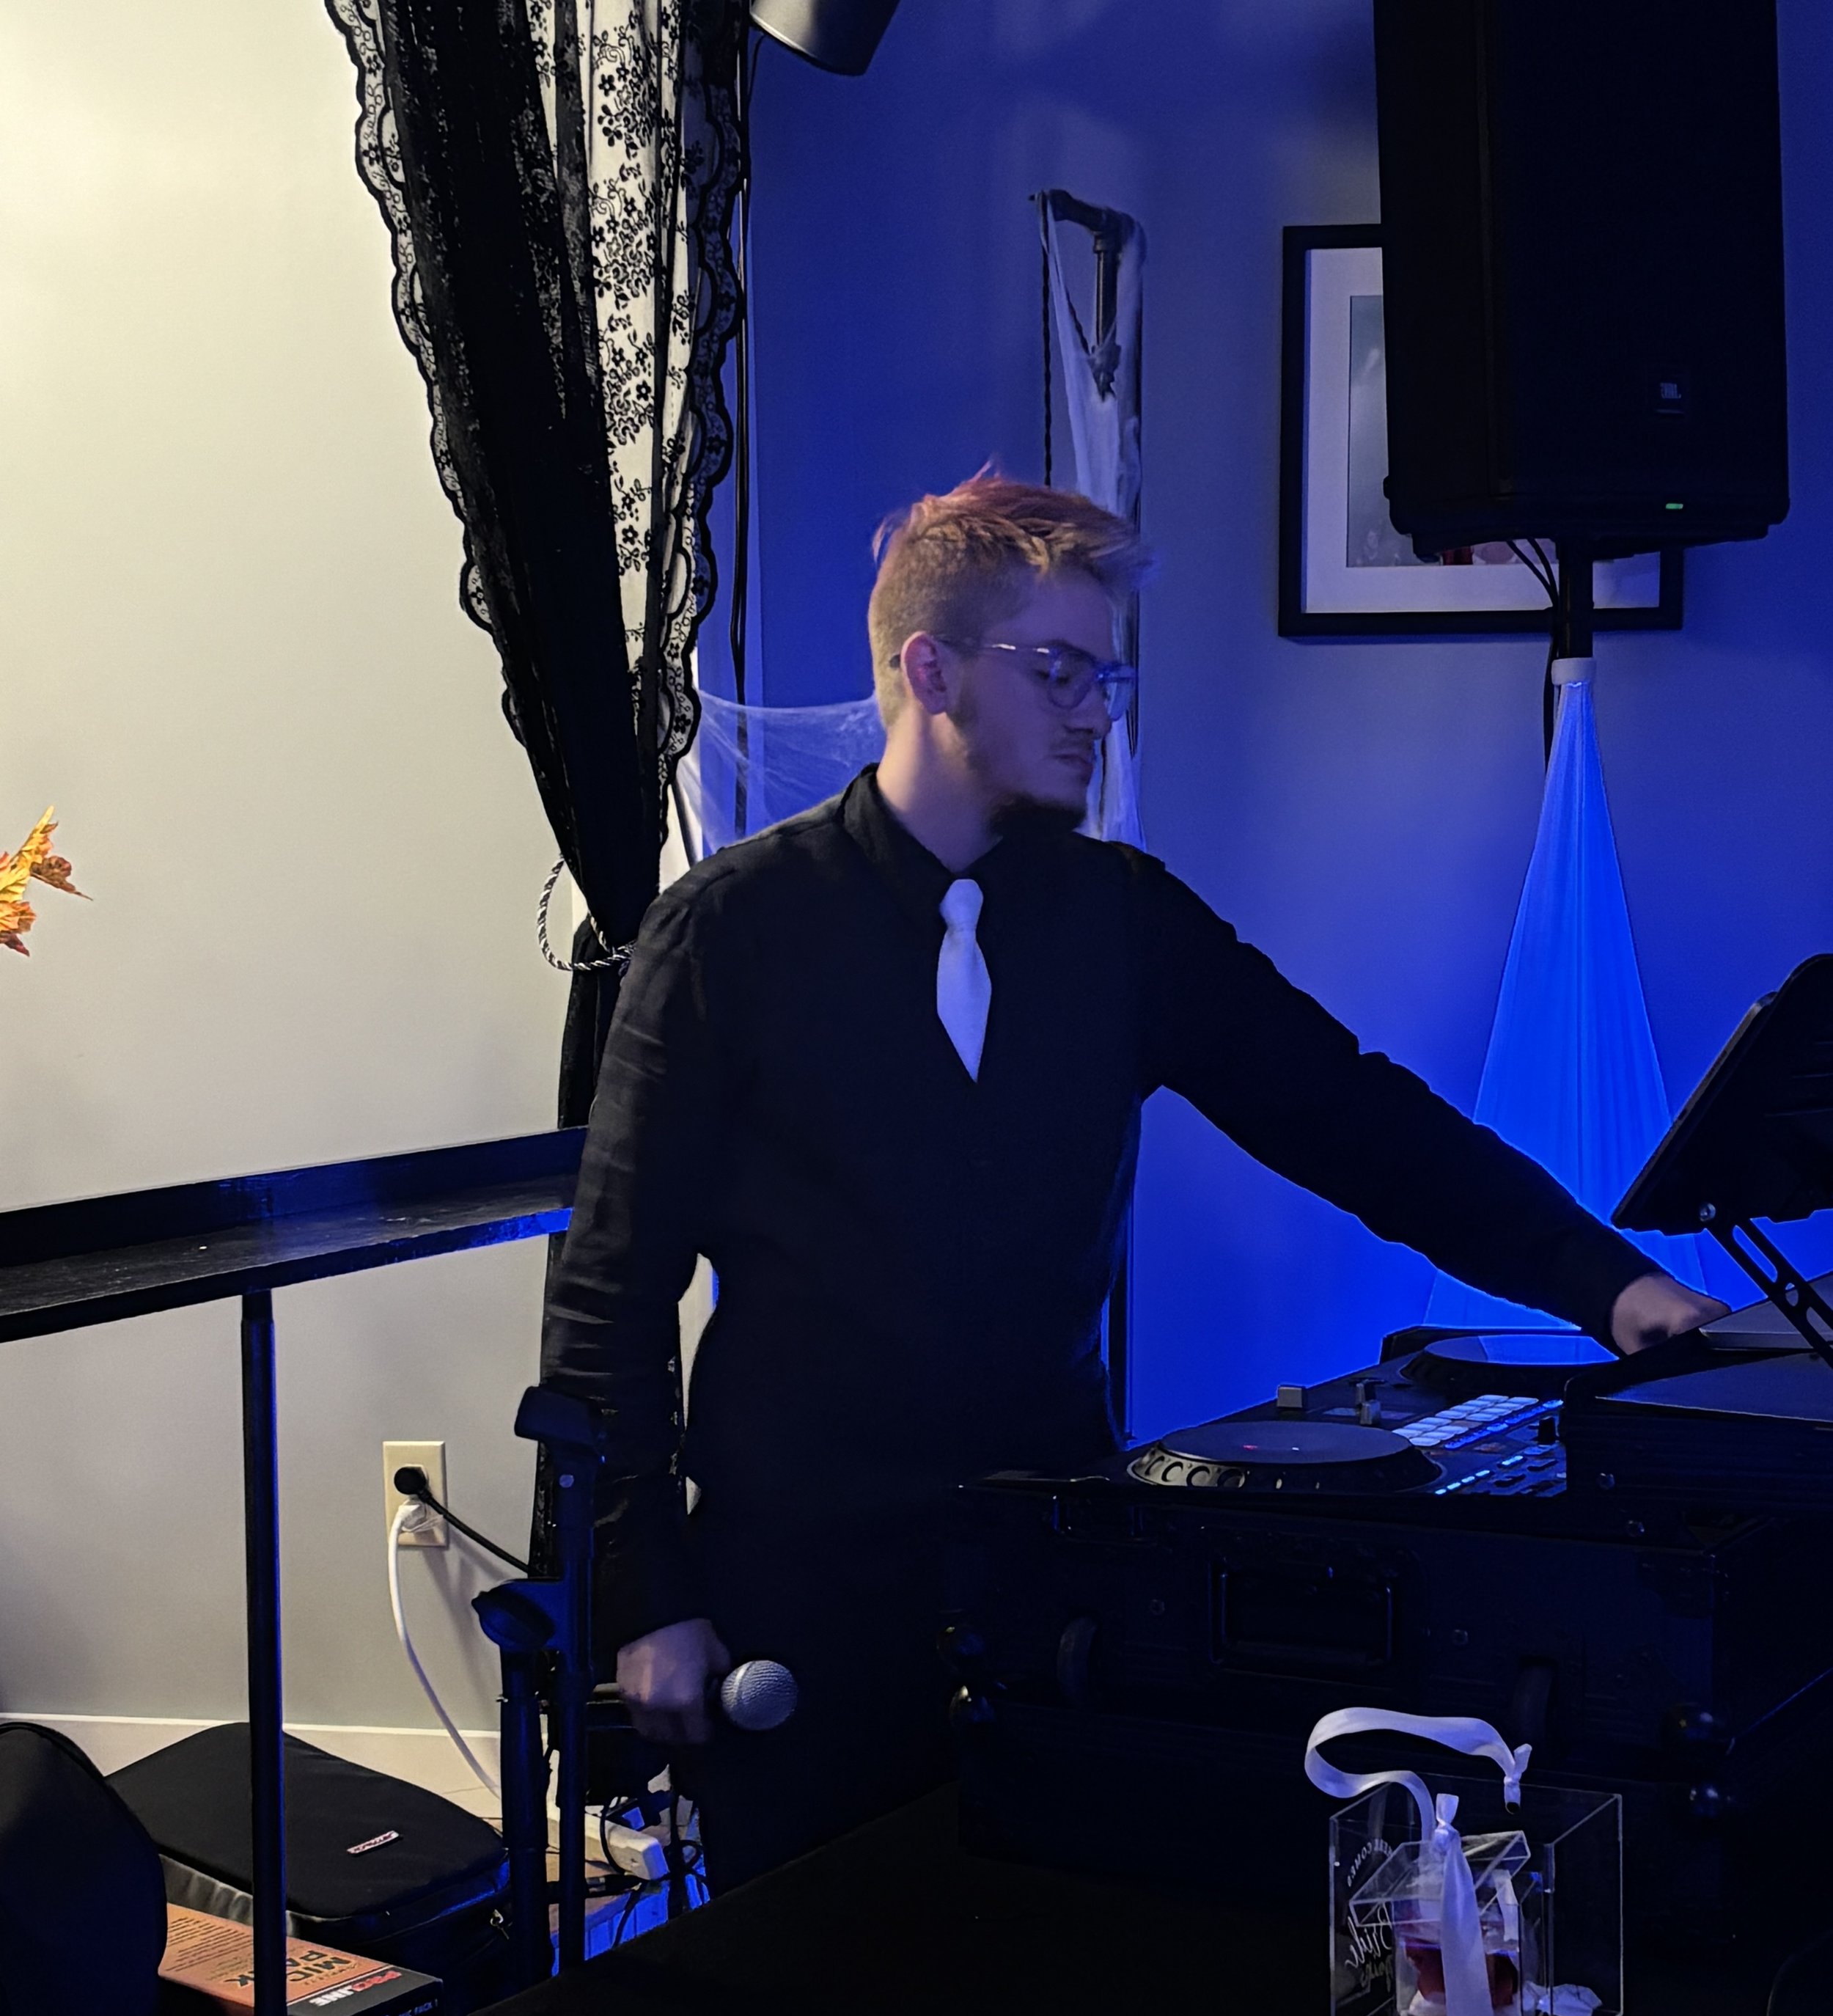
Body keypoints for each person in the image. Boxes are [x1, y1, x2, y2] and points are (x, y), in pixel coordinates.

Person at [540, 474, 1722, 1890]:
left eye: (1106, 673)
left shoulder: (1125, 923)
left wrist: (1614, 1281)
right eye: (1060, 670)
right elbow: (608, 1294)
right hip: (797, 1593)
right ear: (929, 669)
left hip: (1052, 1578)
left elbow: (1356, 1121)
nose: (1096, 707)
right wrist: (643, 1598)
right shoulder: (726, 933)